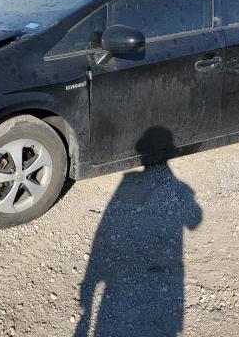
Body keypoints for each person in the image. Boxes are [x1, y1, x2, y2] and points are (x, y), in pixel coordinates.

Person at [75, 127, 203, 336]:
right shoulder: (182, 189)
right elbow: (195, 221)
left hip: (117, 286)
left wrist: (91, 281)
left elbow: (103, 230)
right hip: (163, 286)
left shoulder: (127, 183)